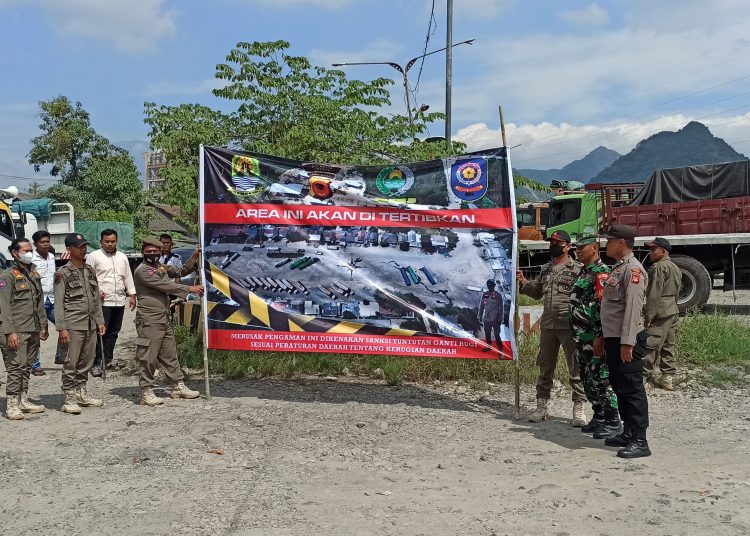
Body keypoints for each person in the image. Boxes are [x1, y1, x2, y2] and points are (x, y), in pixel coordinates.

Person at [517, 230, 586, 425]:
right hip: (548, 325)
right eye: (551, 242)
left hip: (570, 325)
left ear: (568, 246)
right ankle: (541, 406)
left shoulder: (577, 269)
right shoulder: (546, 269)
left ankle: (579, 407)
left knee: (576, 367)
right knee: (545, 366)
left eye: (557, 242)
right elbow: (537, 292)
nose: (552, 245)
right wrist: (523, 282)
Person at [599, 225, 651, 458]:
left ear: (621, 242)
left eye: (609, 240)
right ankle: (628, 432)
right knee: (619, 386)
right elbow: (612, 308)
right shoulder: (619, 268)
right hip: (615, 337)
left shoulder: (633, 270)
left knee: (631, 388)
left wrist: (628, 342)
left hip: (627, 339)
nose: (606, 244)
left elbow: (632, 309)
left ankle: (640, 440)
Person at [134, 237, 204, 406]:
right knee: (149, 356)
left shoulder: (161, 267)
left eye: (155, 251)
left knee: (169, 353)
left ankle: (177, 385)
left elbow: (180, 271)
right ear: (143, 252)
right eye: (148, 251)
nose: (152, 254)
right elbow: (166, 286)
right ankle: (146, 391)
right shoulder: (143, 271)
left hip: (164, 317)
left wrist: (194, 256)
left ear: (160, 251)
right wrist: (189, 289)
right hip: (149, 319)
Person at [568, 234, 621, 438]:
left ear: (594, 248)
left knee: (601, 378)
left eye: (582, 247)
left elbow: (604, 308)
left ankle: (613, 419)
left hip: (594, 337)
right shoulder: (583, 272)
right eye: (576, 248)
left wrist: (600, 336)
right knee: (587, 377)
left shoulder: (601, 273)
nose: (578, 251)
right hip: (581, 337)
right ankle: (599, 416)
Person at [55, 233, 106, 414]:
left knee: (86, 360)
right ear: (69, 249)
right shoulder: (63, 273)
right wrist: (62, 328)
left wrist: (100, 320)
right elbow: (59, 303)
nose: (83, 249)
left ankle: (81, 392)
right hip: (73, 324)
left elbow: (96, 299)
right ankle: (69, 396)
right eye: (79, 246)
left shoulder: (90, 270)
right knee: (70, 361)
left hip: (90, 324)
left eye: (84, 245)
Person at [0, 239, 48, 420]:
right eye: (26, 250)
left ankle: (22, 399)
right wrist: (10, 331)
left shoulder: (33, 273)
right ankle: (11, 404)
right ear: (15, 253)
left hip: (32, 328)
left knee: (27, 366)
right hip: (15, 330)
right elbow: (3, 306)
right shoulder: (7, 276)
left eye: (31, 250)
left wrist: (43, 325)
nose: (30, 253)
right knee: (15, 367)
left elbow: (39, 302)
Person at [86, 229, 137, 377]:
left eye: (112, 241)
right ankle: (96, 362)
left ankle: (107, 360)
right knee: (101, 332)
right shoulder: (94, 256)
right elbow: (89, 278)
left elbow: (127, 276)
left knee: (114, 332)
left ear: (116, 241)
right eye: (107, 241)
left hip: (119, 300)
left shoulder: (122, 257)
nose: (109, 244)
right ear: (101, 241)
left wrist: (132, 294)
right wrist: (96, 291)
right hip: (102, 302)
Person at [643, 237, 682, 391]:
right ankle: (667, 378)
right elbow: (677, 291)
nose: (650, 252)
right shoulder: (675, 267)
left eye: (653, 249)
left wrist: (648, 316)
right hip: (672, 310)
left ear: (663, 251)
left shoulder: (659, 267)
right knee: (668, 345)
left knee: (651, 345)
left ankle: (642, 378)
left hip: (659, 311)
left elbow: (654, 294)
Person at [31, 230, 62, 372]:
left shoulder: (51, 256)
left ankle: (60, 356)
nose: (45, 244)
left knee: (64, 324)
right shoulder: (31, 258)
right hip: (38, 300)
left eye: (47, 241)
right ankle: (35, 365)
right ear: (36, 244)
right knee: (37, 331)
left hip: (53, 298)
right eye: (42, 242)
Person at [478, 279, 504, 353]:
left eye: (491, 285)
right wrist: (479, 316)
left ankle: (500, 349)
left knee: (496, 335)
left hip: (495, 319)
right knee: (487, 333)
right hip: (486, 318)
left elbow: (501, 308)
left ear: (494, 285)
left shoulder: (498, 295)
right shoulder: (485, 294)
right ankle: (489, 347)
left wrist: (500, 319)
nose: (489, 286)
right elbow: (481, 306)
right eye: (488, 285)